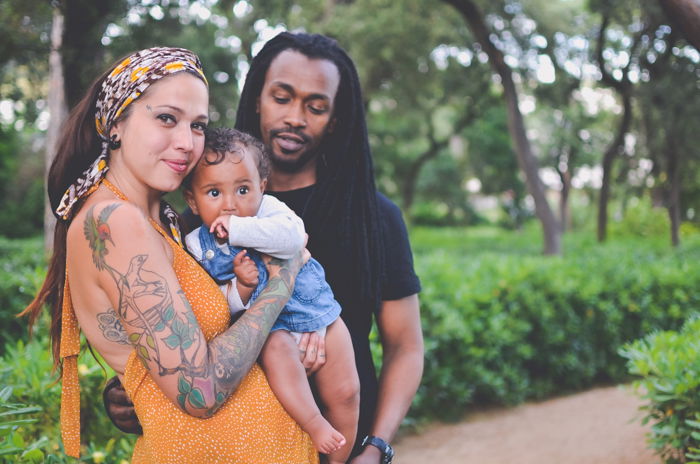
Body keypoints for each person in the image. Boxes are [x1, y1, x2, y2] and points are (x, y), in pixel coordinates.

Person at [107, 32, 425, 463]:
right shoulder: (193, 221)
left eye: (315, 106)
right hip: (237, 448)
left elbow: (405, 347)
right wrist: (131, 389)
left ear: (334, 120)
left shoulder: (374, 217)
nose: (296, 117)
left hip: (345, 449)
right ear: (258, 99)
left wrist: (377, 448)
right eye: (282, 97)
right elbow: (175, 335)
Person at [21, 47, 318, 463]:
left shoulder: (159, 218)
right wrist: (283, 280)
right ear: (117, 123)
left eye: (197, 125)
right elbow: (200, 390)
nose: (186, 143)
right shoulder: (114, 220)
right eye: (166, 118)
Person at [182, 127, 359, 462]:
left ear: (262, 187)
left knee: (347, 391)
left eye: (244, 189)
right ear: (192, 198)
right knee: (280, 358)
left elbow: (293, 239)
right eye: (214, 193)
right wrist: (242, 288)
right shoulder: (196, 246)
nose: (231, 204)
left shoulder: (271, 211)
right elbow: (216, 302)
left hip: (315, 309)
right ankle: (315, 423)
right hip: (269, 328)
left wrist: (237, 228)